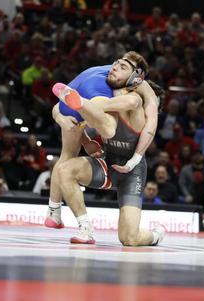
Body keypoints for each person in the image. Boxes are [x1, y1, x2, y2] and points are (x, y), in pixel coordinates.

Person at [46, 51, 159, 228]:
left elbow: (59, 107)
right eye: (117, 63)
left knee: (67, 154)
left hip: (83, 94)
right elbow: (137, 109)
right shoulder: (122, 86)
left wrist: (69, 118)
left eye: (122, 66)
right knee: (108, 129)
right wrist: (82, 107)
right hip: (110, 156)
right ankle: (75, 221)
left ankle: (53, 212)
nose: (116, 67)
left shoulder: (136, 93)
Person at [53, 79, 165, 245]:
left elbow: (132, 102)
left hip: (131, 173)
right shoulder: (118, 102)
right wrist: (84, 139)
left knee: (129, 239)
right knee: (65, 170)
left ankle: (156, 235)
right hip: (107, 163)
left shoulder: (141, 114)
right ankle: (85, 228)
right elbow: (62, 107)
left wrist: (86, 105)